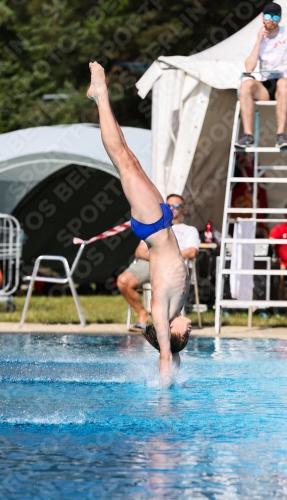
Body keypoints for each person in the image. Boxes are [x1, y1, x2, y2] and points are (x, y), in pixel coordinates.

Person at [87, 62, 192, 384]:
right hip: (160, 223)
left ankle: (101, 94)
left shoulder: (163, 313)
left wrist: (164, 398)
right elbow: (172, 356)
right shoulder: (177, 309)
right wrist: (175, 368)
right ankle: (100, 97)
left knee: (121, 159)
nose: (191, 329)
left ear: (174, 333)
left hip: (153, 226)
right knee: (128, 157)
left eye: (187, 334)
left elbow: (164, 353)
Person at [236, 2, 287, 149]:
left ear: (280, 19)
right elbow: (249, 68)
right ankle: (248, 135)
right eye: (268, 16)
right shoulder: (256, 40)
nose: (271, 20)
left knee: (282, 83)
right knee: (245, 84)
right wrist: (259, 41)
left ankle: (281, 134)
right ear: (262, 17)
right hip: (268, 85)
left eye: (275, 17)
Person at [117, 193, 199, 332]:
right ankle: (143, 315)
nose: (172, 208)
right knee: (123, 280)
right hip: (151, 263)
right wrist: (160, 258)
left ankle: (168, 322)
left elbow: (192, 252)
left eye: (176, 206)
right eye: (168, 205)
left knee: (164, 287)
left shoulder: (189, 230)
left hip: (174, 266)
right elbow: (139, 252)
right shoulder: (155, 227)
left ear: (183, 209)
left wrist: (167, 257)